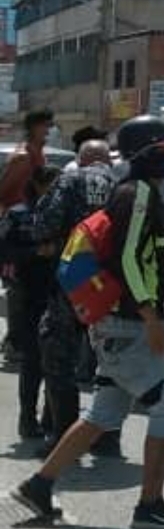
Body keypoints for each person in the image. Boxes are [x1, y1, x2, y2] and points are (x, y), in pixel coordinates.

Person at [11, 115, 164, 529]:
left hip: (118, 324)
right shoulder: (138, 195)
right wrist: (150, 315)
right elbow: (127, 258)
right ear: (150, 154)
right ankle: (151, 505)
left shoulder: (136, 191)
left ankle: (39, 486)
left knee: (102, 413)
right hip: (132, 324)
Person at [33, 139, 117, 453]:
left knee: (58, 357)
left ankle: (64, 436)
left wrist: (51, 244)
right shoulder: (125, 186)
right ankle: (108, 437)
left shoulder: (69, 180)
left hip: (75, 283)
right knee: (112, 363)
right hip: (114, 287)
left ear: (82, 159)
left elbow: (44, 224)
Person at [0, 165, 61, 439]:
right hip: (28, 296)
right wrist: (36, 252)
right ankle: (28, 419)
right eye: (53, 185)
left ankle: (53, 418)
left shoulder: (64, 215)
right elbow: (4, 251)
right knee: (32, 362)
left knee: (59, 363)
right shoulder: (19, 214)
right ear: (38, 184)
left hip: (60, 296)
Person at [0, 109, 54, 368]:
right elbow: (3, 193)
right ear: (33, 127)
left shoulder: (38, 155)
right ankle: (13, 343)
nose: (49, 130)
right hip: (18, 233)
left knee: (30, 291)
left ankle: (22, 339)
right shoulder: (22, 158)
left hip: (35, 230)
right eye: (45, 126)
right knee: (17, 291)